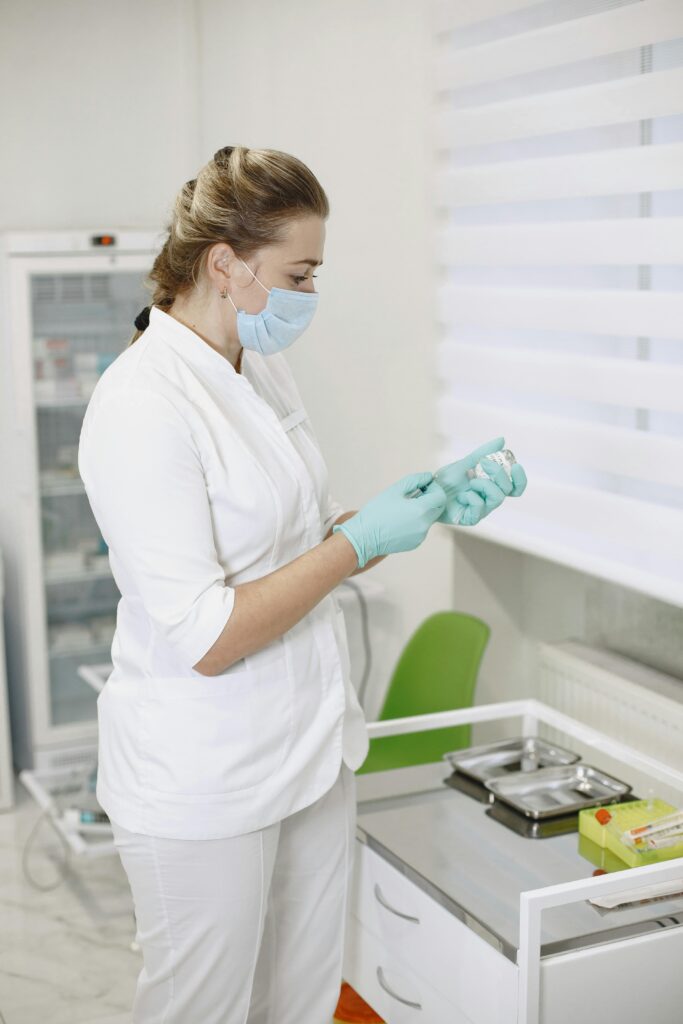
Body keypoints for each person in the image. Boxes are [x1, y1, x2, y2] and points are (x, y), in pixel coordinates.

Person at [77, 144, 526, 1024]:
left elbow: (297, 545)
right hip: (203, 779)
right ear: (225, 264)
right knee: (201, 1010)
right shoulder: (141, 406)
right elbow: (205, 636)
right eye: (299, 273)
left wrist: (422, 505)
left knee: (299, 1000)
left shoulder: (255, 362)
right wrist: (357, 546)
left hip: (308, 752)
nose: (309, 296)